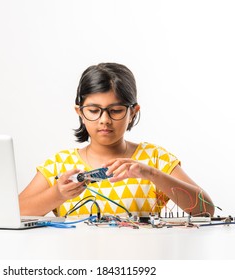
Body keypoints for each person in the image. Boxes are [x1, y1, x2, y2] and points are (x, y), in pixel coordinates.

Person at [19, 62, 215, 218]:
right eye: (94, 111)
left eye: (116, 111)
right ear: (80, 112)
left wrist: (151, 173)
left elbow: (206, 210)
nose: (105, 120)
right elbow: (15, 211)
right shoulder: (60, 164)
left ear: (133, 112)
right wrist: (58, 194)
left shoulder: (154, 158)